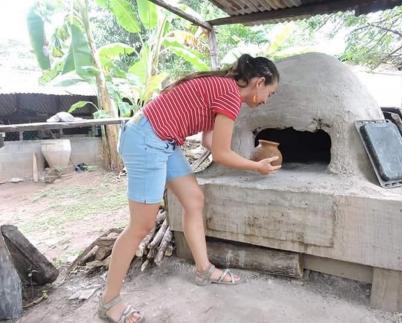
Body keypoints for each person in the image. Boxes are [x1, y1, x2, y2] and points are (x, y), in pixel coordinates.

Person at [98, 54, 280, 323]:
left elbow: (210, 141)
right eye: (270, 93)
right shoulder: (229, 95)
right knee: (141, 226)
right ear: (259, 82)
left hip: (162, 140)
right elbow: (220, 153)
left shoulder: (224, 88)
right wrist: (256, 167)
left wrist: (243, 157)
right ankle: (109, 300)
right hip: (147, 140)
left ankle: (203, 269)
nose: (266, 100)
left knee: (194, 199)